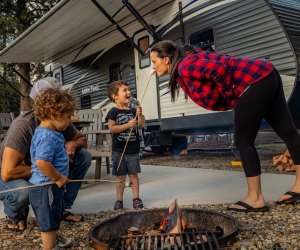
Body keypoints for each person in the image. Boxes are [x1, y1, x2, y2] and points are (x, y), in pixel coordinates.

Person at [150, 40, 300, 212]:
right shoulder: (188, 62)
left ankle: (255, 198)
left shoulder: (184, 66)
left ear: (166, 60)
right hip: (266, 73)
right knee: (288, 131)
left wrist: (229, 96)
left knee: (243, 141)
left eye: (154, 62)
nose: (153, 67)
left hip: (252, 81)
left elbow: (218, 70)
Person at [0, 77, 91, 231]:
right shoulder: (23, 127)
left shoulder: (60, 120)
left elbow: (81, 139)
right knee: (23, 192)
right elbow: (8, 172)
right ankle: (15, 216)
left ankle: (61, 207)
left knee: (83, 156)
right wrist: (53, 172)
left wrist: (72, 145)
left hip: (40, 168)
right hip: (8, 175)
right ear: (52, 109)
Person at [29, 88, 76, 249]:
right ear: (54, 114)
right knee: (48, 223)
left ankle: (54, 242)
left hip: (49, 187)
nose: (70, 121)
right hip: (46, 187)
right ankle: (49, 247)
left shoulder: (50, 132)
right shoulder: (47, 136)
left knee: (53, 218)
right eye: (68, 117)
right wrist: (58, 177)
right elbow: (42, 162)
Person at [106, 81, 145, 210]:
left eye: (129, 90)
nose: (128, 92)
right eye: (124, 90)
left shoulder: (133, 110)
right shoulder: (113, 112)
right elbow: (112, 129)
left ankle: (136, 198)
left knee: (133, 175)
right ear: (115, 96)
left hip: (133, 149)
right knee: (120, 176)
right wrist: (127, 125)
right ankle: (119, 200)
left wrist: (140, 115)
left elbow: (141, 125)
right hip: (119, 150)